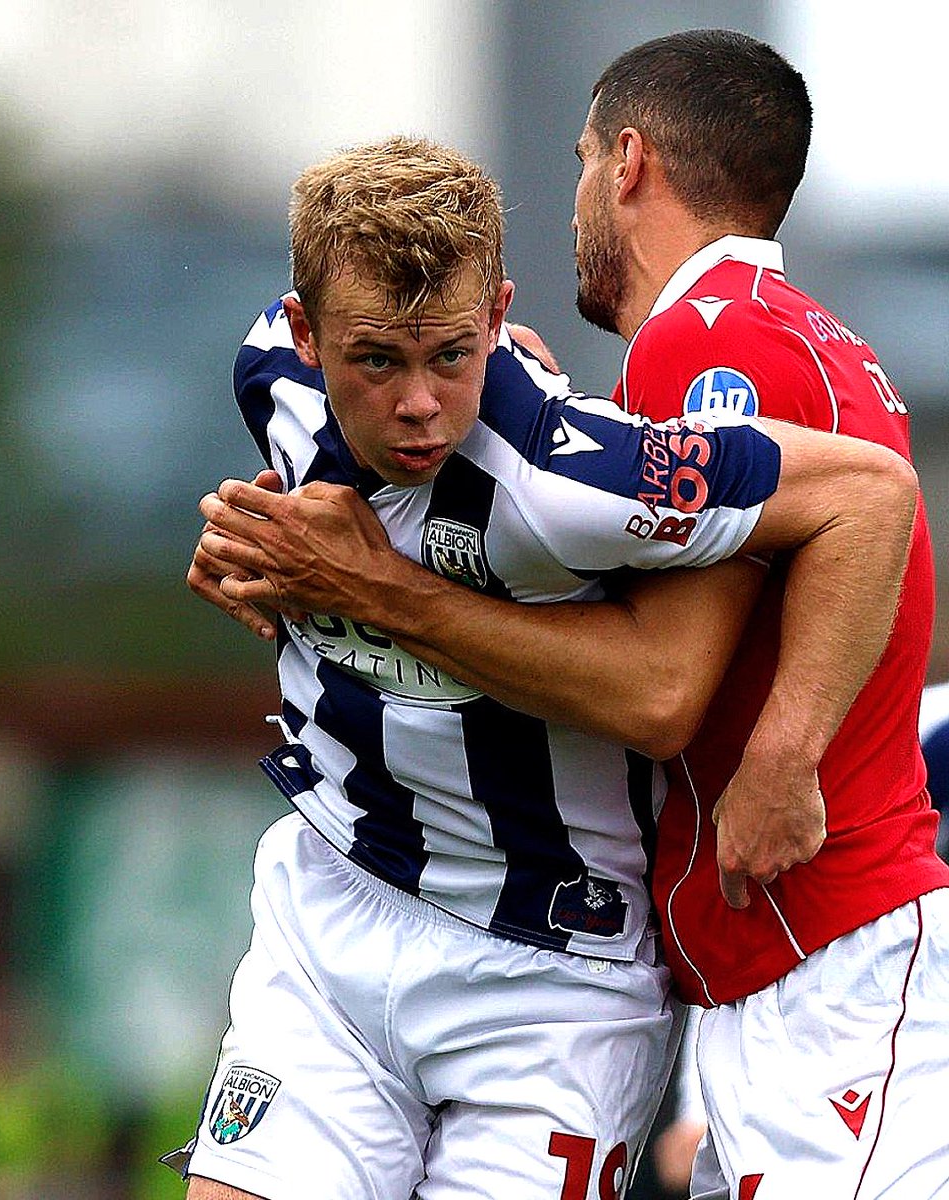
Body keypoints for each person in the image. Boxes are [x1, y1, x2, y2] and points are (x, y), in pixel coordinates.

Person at [192, 32, 948, 1200]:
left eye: (584, 156)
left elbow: (665, 688)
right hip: (412, 916)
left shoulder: (705, 349)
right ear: (310, 339)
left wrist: (784, 755)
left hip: (718, 955)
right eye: (375, 360)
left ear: (627, 164)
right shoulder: (799, 332)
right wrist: (271, 559)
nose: (415, 399)